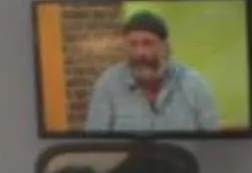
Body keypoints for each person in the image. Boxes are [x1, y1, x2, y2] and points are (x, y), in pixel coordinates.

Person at [84, 10, 223, 134]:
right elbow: (96, 144)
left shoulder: (195, 85)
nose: (140, 53)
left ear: (166, 46)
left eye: (148, 43)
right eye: (133, 44)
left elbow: (214, 144)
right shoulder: (108, 85)